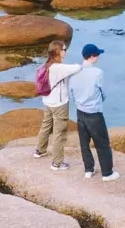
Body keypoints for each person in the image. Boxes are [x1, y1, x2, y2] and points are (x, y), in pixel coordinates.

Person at [66, 43, 117, 180]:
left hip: (80, 112)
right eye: (97, 55)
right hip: (94, 113)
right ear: (93, 57)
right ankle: (107, 173)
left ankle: (88, 170)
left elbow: (70, 92)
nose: (98, 57)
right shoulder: (98, 73)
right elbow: (103, 93)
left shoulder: (74, 72)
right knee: (102, 144)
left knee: (84, 143)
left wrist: (79, 102)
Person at [32, 40, 81, 171]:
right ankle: (57, 163)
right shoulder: (59, 68)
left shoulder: (46, 65)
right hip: (59, 104)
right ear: (58, 51)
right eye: (64, 49)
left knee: (46, 126)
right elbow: (77, 67)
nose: (66, 51)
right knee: (60, 133)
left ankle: (40, 150)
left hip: (47, 101)